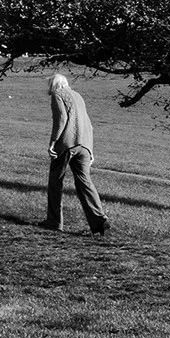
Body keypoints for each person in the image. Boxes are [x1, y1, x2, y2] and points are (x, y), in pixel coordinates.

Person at [39, 74, 110, 236]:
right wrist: (90, 150)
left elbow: (61, 119)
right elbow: (88, 123)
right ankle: (99, 221)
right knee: (85, 183)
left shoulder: (58, 95)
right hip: (84, 145)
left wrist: (53, 142)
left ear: (53, 85)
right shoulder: (78, 96)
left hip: (66, 144)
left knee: (55, 182)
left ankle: (54, 222)